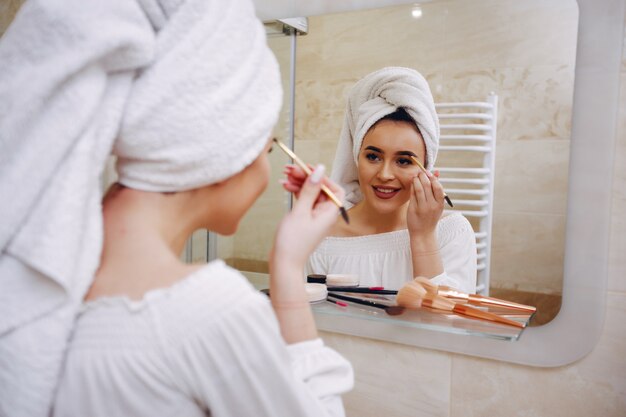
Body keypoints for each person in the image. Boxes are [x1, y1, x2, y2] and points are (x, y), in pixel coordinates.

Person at [0, 0, 352, 415]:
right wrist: (289, 268)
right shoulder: (211, 314)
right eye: (267, 146)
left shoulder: (40, 274)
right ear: (224, 156)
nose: (266, 167)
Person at [285, 67, 477, 293]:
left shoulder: (451, 232)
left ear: (426, 168)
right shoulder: (323, 236)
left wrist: (423, 236)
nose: (385, 174)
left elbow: (449, 324)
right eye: (373, 156)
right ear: (357, 157)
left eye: (404, 161)